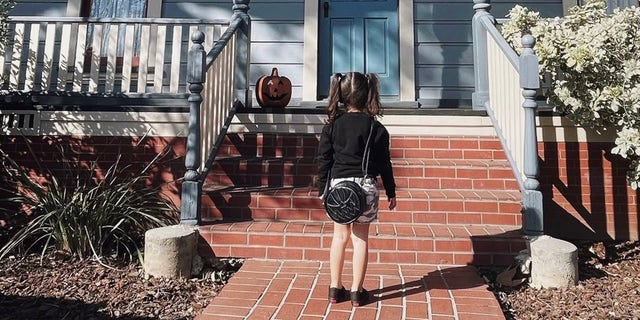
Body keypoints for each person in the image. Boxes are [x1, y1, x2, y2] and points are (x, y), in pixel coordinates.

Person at [317, 72, 397, 307]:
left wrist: (323, 188)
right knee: (360, 239)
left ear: (341, 96)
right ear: (368, 94)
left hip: (339, 189)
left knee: (339, 238)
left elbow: (324, 160)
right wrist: (391, 191)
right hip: (366, 187)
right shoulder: (377, 129)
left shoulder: (332, 126)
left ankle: (334, 288)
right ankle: (356, 291)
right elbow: (384, 164)